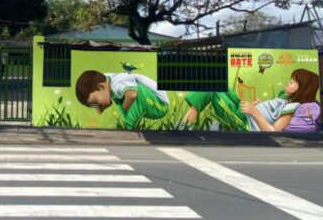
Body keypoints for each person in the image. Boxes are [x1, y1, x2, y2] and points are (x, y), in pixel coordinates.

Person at [183, 69, 320, 132]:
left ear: (303, 88)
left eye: (292, 82)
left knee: (211, 89)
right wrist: (257, 105)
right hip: (246, 113)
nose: (287, 83)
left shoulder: (293, 106)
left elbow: (273, 131)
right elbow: (270, 111)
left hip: (245, 123)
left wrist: (254, 111)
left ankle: (183, 126)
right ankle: (184, 124)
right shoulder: (285, 96)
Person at [75, 70, 170, 130]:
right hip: (148, 105)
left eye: (96, 102)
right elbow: (104, 100)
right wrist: (100, 106)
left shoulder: (117, 82)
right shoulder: (104, 80)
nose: (97, 106)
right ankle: (129, 125)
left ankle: (130, 125)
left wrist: (125, 111)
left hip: (160, 106)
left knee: (133, 92)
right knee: (118, 97)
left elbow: (132, 95)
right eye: (93, 105)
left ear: (101, 87)